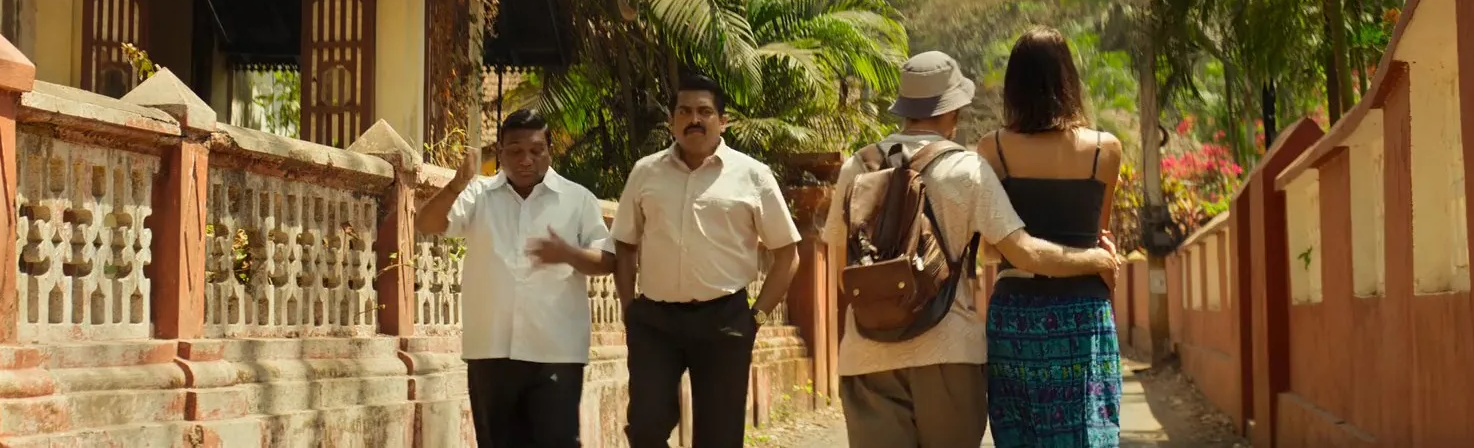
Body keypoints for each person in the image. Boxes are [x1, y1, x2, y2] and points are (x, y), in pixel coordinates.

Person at [823, 51, 1122, 448]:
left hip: (866, 356)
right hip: (947, 352)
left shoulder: (856, 167)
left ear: (905, 109)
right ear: (953, 110)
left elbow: (840, 270)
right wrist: (1096, 258)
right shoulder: (966, 169)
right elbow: (1025, 252)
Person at [612, 74, 801, 448]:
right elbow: (625, 244)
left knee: (719, 437)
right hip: (655, 322)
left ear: (723, 120)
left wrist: (756, 318)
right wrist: (629, 308)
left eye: (704, 111)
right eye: (684, 111)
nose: (694, 119)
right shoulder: (646, 172)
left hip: (724, 322)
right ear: (671, 120)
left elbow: (787, 254)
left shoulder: (753, 176)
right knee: (646, 427)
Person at [415, 109, 616, 448]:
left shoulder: (577, 199)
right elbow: (427, 224)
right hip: (491, 350)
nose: (526, 160)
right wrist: (456, 185)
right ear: (500, 151)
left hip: (556, 351)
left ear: (550, 151)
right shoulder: (477, 195)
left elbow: (607, 260)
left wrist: (567, 253)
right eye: (516, 150)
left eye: (536, 150)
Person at [976, 29, 1126, 447]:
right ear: (1068, 79)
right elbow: (1098, 240)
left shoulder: (992, 150)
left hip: (1016, 314)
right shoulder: (1105, 150)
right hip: (1083, 313)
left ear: (1014, 86)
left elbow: (991, 248)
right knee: (1087, 431)